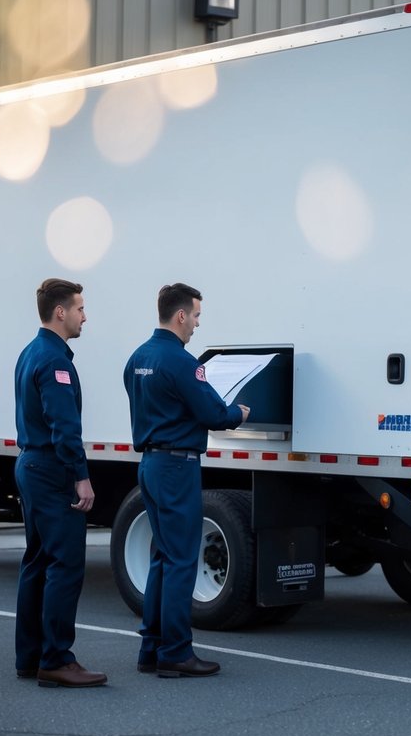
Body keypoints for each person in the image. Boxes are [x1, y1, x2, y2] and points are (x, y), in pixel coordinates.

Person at [123, 283, 249, 678]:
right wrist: (239, 413)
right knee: (180, 561)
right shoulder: (182, 362)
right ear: (180, 315)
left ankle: (152, 648)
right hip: (178, 467)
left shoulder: (137, 357)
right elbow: (213, 414)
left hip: (150, 465)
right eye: (195, 316)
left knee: (163, 556)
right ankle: (176, 653)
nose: (196, 324)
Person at [13, 278, 107, 688]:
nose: (85, 316)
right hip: (52, 470)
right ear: (60, 312)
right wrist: (81, 478)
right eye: (80, 308)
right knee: (65, 566)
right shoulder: (55, 362)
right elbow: (64, 428)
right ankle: (56, 659)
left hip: (32, 465)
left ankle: (30, 657)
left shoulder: (31, 352)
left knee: (38, 561)